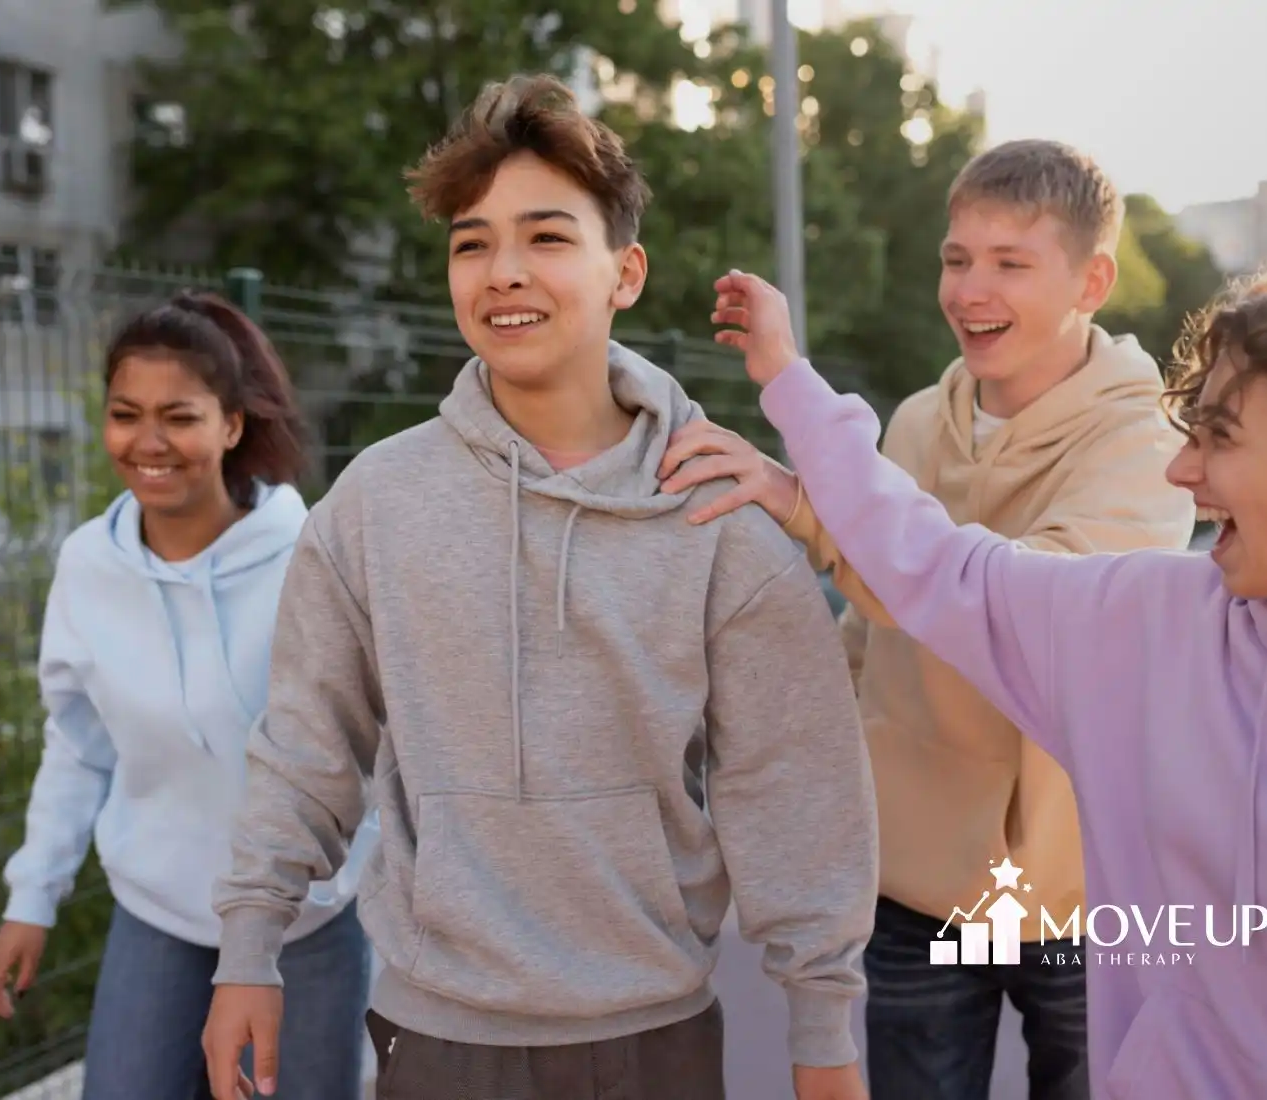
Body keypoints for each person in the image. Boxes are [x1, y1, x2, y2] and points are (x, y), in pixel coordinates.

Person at [201, 73, 877, 1100]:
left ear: (625, 273)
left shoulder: (717, 514)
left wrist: (822, 1028)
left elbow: (790, 783)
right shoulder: (377, 500)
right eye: (471, 244)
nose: (503, 272)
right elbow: (306, 744)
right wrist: (250, 945)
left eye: (547, 237)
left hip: (654, 1035)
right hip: (436, 1030)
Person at [703, 238, 1267, 1100]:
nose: (1180, 470)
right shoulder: (1145, 625)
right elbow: (935, 563)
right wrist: (786, 379)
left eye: (1219, 437)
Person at [661, 140, 1195, 1099]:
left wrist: (808, 495)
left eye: (1010, 262)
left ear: (1092, 281)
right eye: (957, 258)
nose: (970, 289)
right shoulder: (911, 424)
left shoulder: (1146, 441)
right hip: (918, 889)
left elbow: (1016, 611)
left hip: (1091, 891)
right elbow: (863, 647)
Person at [0, 293, 376, 1099]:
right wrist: (33, 897)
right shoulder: (88, 565)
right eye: (125, 414)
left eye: (179, 417)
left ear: (232, 425)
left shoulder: (312, 560)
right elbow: (79, 746)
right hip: (160, 912)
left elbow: (368, 747)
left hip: (304, 919)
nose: (148, 442)